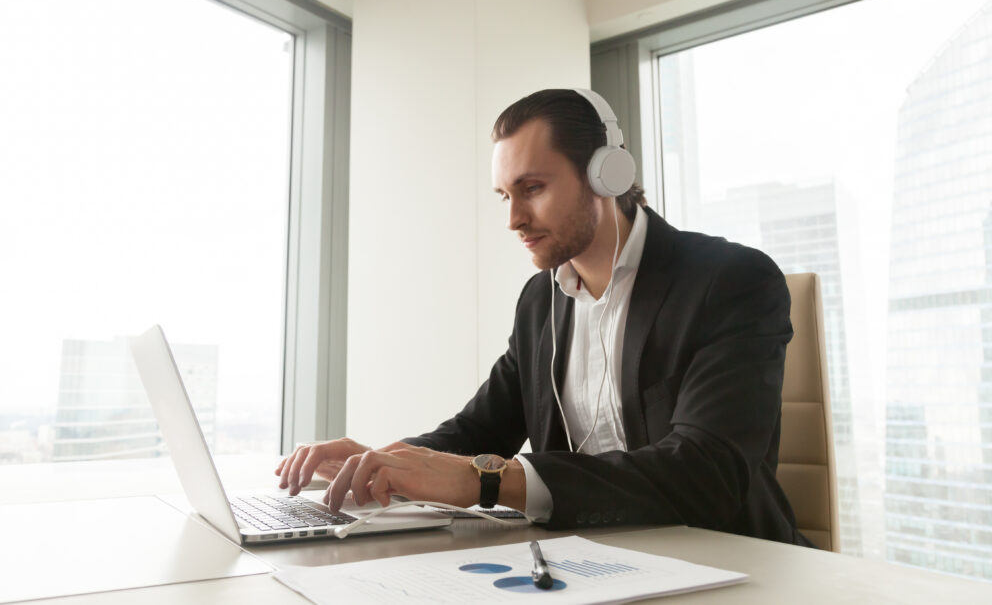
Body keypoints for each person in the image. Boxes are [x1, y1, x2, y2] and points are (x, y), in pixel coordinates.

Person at [275, 88, 811, 546]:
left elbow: (707, 473)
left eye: (532, 188)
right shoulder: (541, 300)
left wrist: (488, 482)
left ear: (606, 174)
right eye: (505, 195)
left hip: (729, 562)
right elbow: (479, 430)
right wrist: (379, 461)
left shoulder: (730, 281)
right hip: (587, 564)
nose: (513, 218)